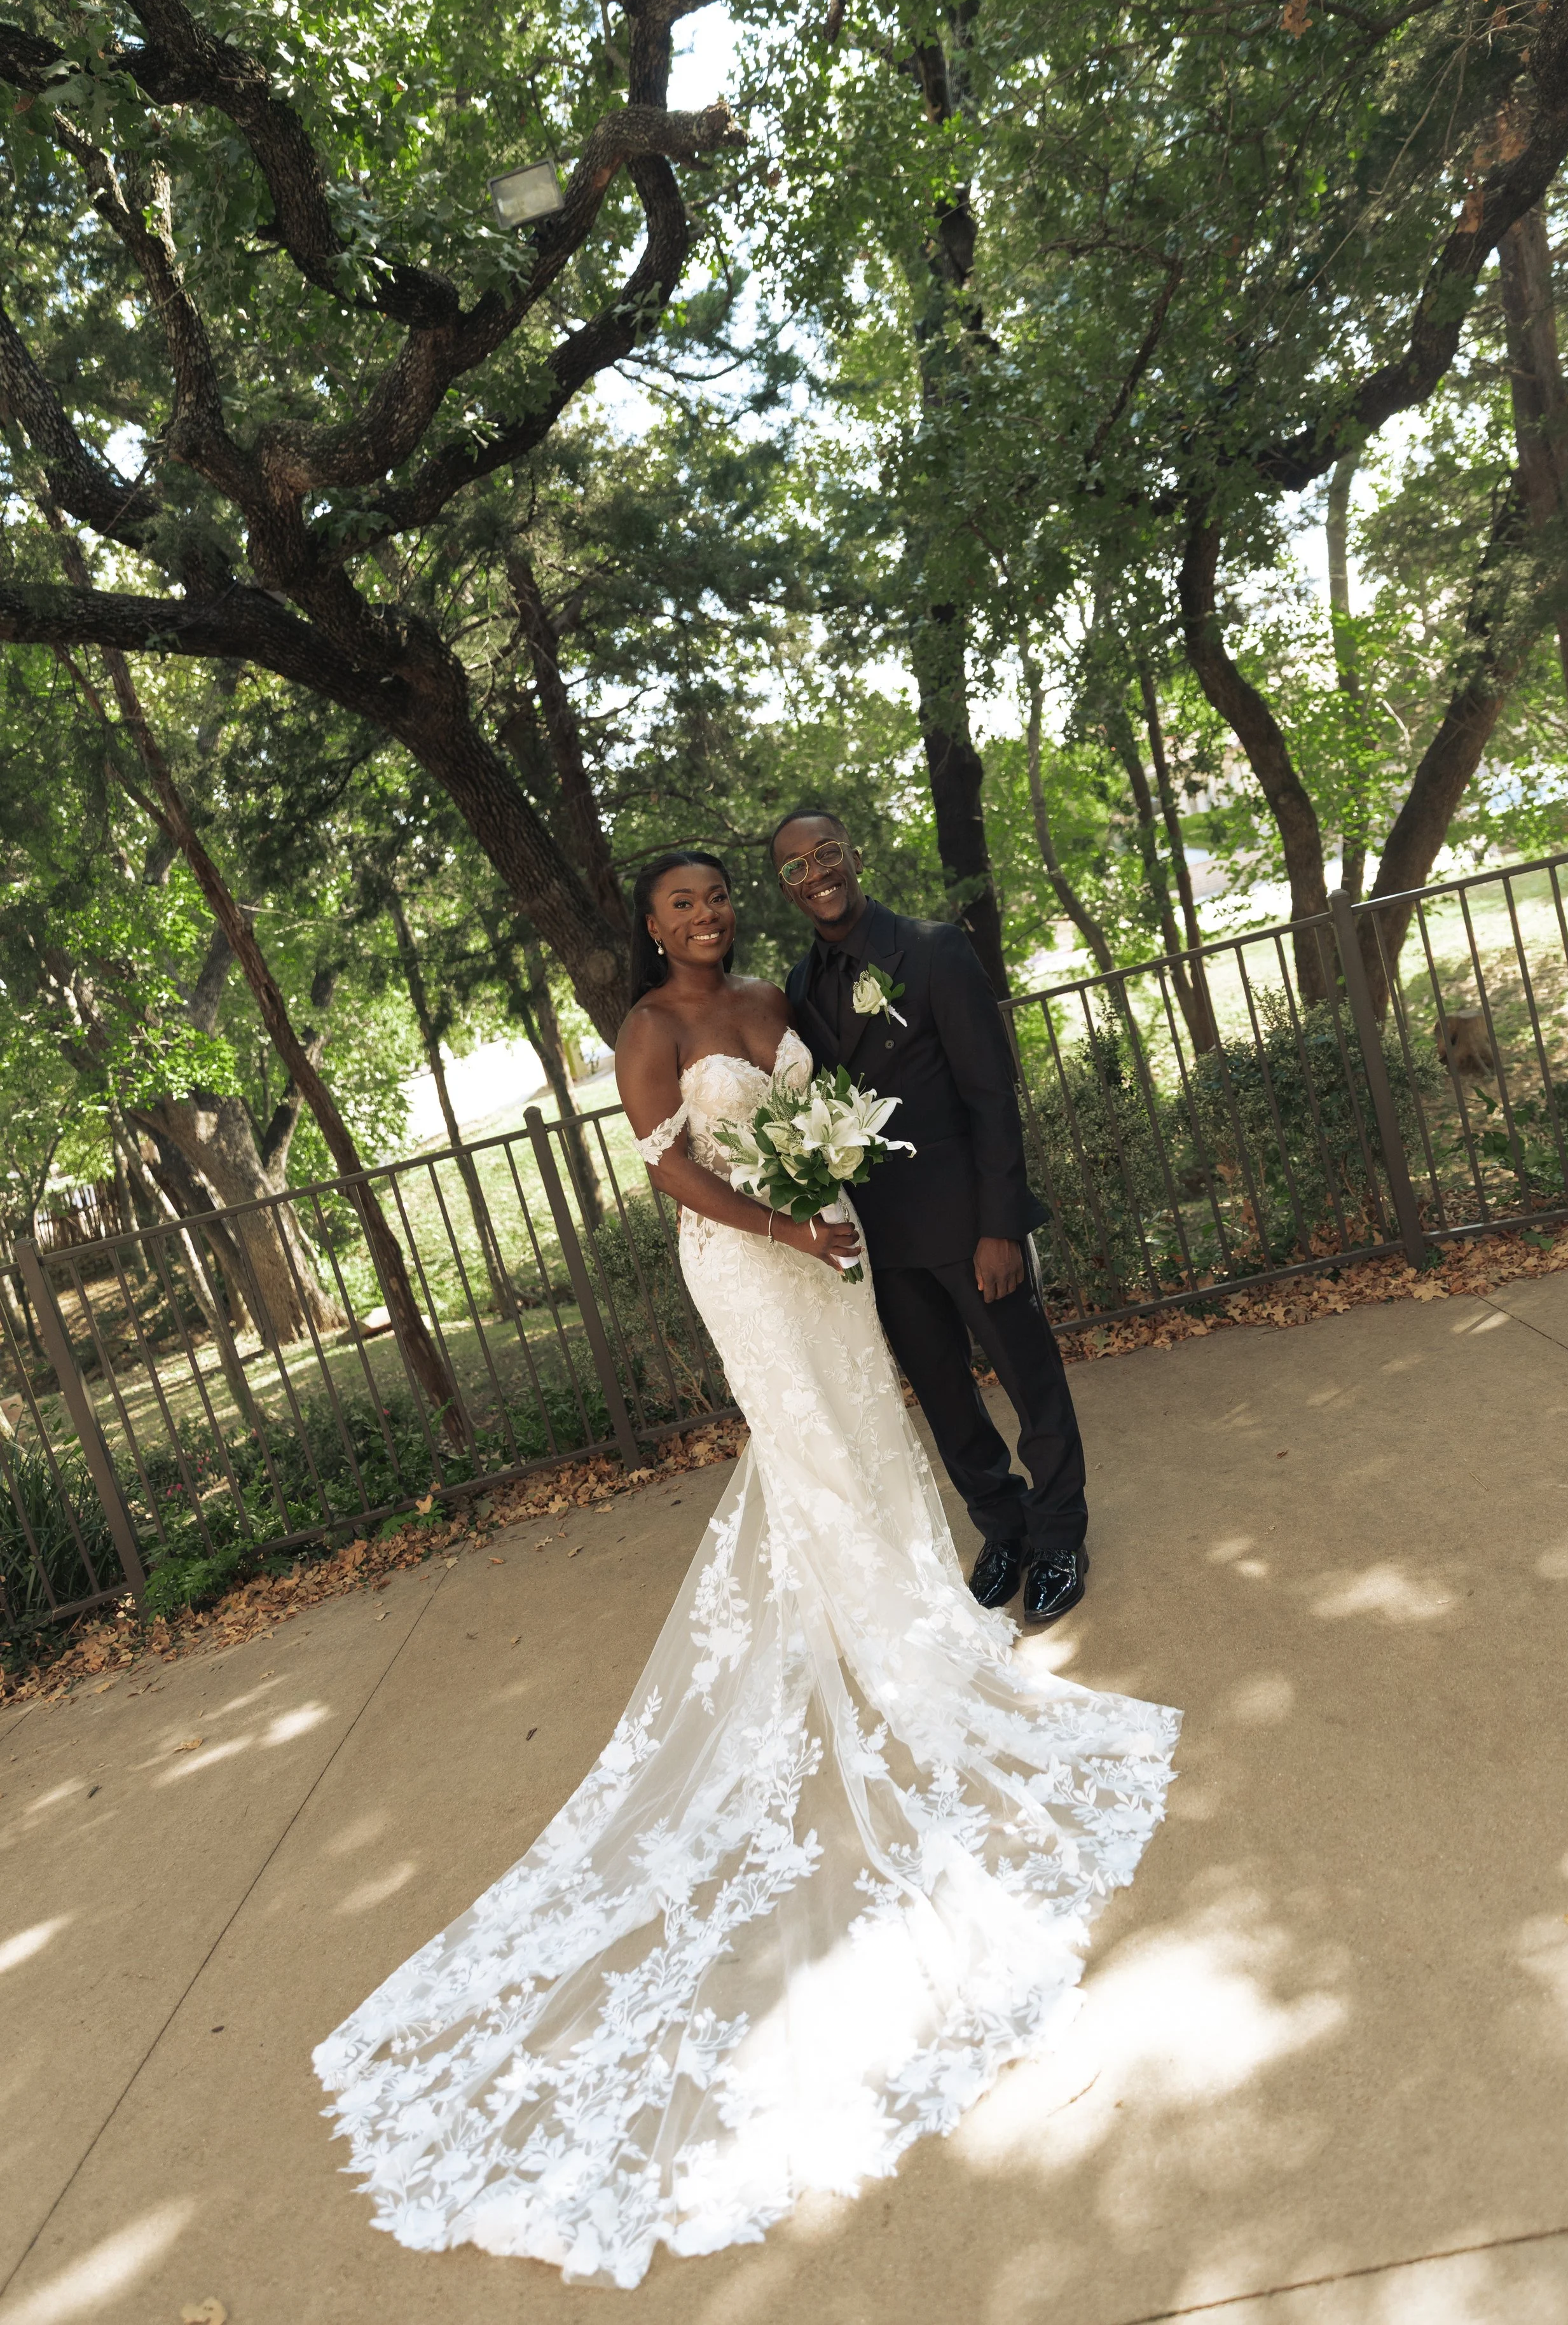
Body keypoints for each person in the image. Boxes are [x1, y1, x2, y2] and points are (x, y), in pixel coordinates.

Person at [312, 847, 1179, 2291]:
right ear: (648, 926)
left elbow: (839, 1103)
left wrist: (832, 1188)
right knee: (816, 1449)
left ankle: (910, 1606)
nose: (707, 915)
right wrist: (786, 1216)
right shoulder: (648, 1033)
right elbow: (675, 1177)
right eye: (682, 902)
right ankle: (879, 1640)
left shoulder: (783, 993)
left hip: (833, 1250)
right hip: (756, 1264)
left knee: (872, 1435)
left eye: (720, 896)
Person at [776, 806, 1090, 1624]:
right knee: (945, 1397)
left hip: (967, 1222)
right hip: (882, 1238)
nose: (817, 874)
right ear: (786, 888)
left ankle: (1060, 1537)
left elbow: (992, 1095)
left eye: (828, 854)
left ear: (852, 855)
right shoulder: (800, 987)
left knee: (1029, 1381)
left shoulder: (934, 949)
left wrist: (999, 1226)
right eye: (796, 868)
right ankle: (1005, 1528)